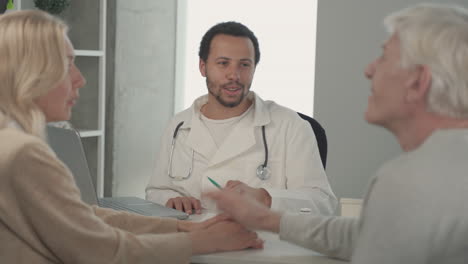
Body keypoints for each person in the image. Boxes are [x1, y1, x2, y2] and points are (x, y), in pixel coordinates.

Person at [207, 3, 468, 264]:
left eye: (384, 57)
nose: (369, 69)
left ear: (417, 81)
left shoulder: (407, 180)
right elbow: (365, 237)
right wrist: (266, 219)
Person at [0, 10, 263, 263]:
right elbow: (102, 253)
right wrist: (205, 241)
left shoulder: (10, 139)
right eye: (68, 64)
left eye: (244, 64)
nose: (80, 79)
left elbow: (85, 217)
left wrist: (184, 230)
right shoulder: (23, 153)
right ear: (31, 70)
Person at [146, 21, 336, 215]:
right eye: (223, 63)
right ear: (203, 67)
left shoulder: (291, 126)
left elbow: (323, 203)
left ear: (254, 68)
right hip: (192, 239)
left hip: (263, 242)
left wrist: (265, 197)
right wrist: (171, 200)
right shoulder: (179, 125)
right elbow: (156, 191)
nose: (234, 75)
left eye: (244, 65)